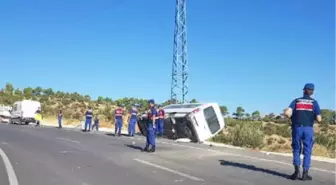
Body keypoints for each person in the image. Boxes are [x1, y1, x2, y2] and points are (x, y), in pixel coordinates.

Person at [284, 83, 321, 181]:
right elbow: (319, 119)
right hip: (308, 129)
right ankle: (305, 174)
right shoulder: (314, 102)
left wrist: (292, 118)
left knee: (296, 149)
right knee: (307, 150)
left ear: (303, 90)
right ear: (312, 92)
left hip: (297, 128)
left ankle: (296, 172)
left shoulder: (296, 101)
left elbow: (287, 112)